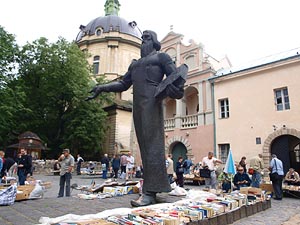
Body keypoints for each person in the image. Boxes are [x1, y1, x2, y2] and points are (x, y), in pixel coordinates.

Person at [86, 30, 187, 207]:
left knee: (153, 146)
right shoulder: (135, 64)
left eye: (147, 38)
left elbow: (175, 78)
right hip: (138, 106)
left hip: (153, 103)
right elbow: (123, 84)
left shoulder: (161, 57)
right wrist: (102, 87)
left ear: (155, 41)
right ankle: (154, 188)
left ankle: (149, 192)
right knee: (145, 147)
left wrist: (176, 89)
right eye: (142, 39)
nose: (143, 42)